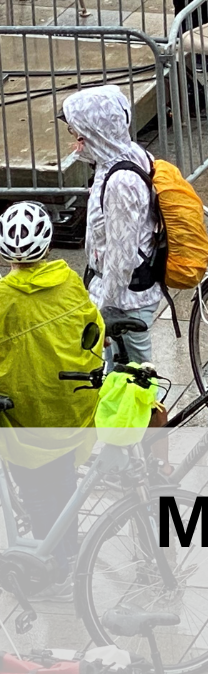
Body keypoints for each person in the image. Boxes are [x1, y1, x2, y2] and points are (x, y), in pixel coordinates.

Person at [0, 202, 104, 599]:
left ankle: (48, 565)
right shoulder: (70, 283)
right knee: (63, 482)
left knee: (35, 488)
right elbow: (93, 331)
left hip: (24, 414)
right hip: (69, 408)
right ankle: (70, 552)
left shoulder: (4, 297)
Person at [63, 85, 161, 368]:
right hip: (120, 294)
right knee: (119, 377)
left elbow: (122, 256)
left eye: (78, 135)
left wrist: (106, 309)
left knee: (135, 384)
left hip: (126, 301)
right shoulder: (124, 155)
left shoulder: (120, 182)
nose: (76, 143)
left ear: (95, 133)